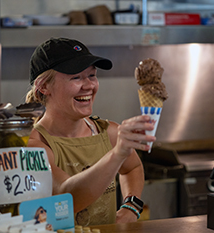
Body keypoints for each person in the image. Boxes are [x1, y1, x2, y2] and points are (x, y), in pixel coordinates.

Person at [25, 37, 155, 226]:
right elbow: (65, 199)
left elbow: (133, 168)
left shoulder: (108, 132)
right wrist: (117, 155)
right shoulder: (33, 146)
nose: (89, 86)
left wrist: (131, 206)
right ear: (44, 87)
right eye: (76, 77)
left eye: (92, 75)